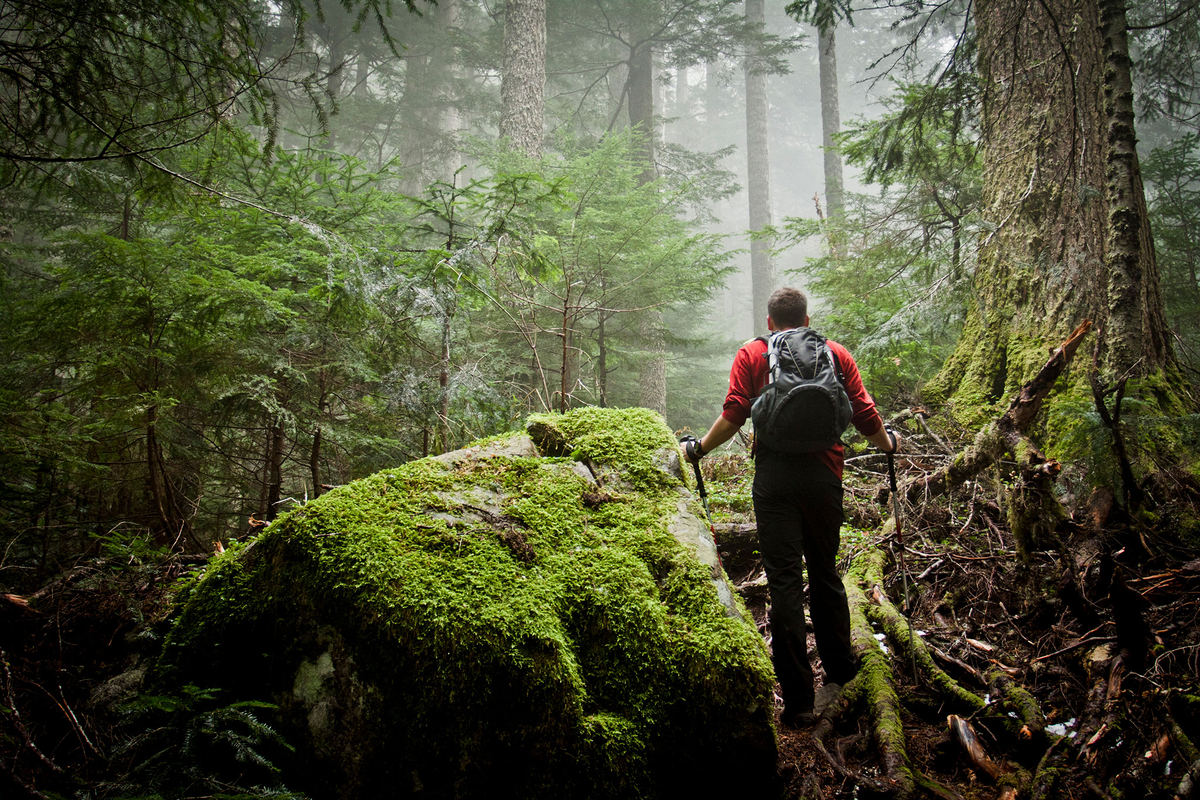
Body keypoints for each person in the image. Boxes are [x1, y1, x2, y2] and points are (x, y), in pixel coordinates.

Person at [683, 287, 899, 727]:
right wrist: (888, 444)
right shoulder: (835, 353)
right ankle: (840, 675)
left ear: (770, 322)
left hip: (774, 479)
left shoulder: (753, 354)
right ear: (806, 318)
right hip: (824, 475)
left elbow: (735, 412)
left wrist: (698, 449)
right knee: (825, 572)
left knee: (783, 582)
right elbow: (863, 412)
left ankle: (799, 702)